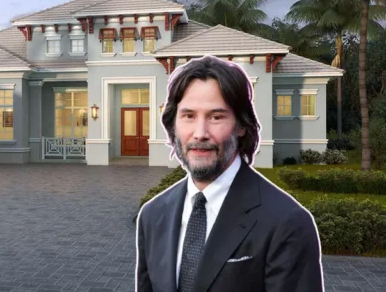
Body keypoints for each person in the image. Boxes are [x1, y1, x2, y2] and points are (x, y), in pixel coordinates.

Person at [135, 55, 324, 292]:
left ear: (241, 125)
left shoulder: (288, 223)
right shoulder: (152, 216)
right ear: (173, 125)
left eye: (216, 117)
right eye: (188, 116)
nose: (200, 133)